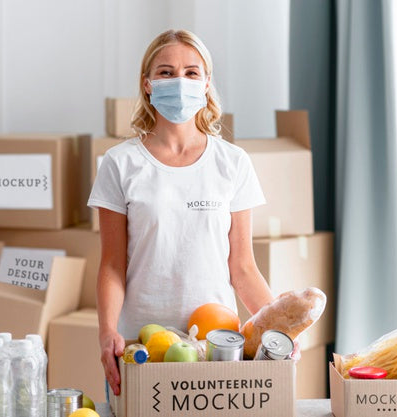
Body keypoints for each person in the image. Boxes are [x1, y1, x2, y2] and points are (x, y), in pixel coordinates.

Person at [88, 29, 276, 396]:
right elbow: (112, 265)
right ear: (147, 84)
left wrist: (278, 331)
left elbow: (242, 267)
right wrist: (107, 332)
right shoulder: (120, 164)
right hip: (142, 349)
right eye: (166, 72)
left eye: (191, 72)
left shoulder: (232, 163)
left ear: (207, 83)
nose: (179, 81)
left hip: (216, 349)